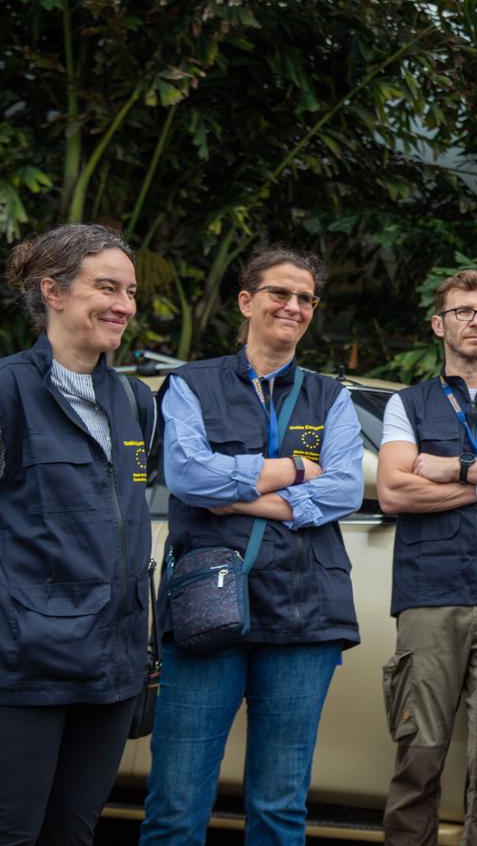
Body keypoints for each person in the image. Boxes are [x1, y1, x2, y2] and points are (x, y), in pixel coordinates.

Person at [139, 247, 363, 845]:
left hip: (305, 613)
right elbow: (188, 477)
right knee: (176, 804)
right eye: (279, 293)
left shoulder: (330, 396)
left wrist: (236, 495)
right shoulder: (190, 385)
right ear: (247, 301)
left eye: (305, 298)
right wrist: (295, 467)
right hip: (204, 611)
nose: (293, 306)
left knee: (280, 807)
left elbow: (344, 488)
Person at [0, 224, 155, 844]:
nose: (124, 305)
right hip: (20, 664)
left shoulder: (134, 402)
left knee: (73, 830)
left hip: (112, 666)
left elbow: (128, 514)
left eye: (131, 291)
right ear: (53, 292)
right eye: (107, 287)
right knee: (3, 831)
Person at [377, 270, 477, 844]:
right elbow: (394, 491)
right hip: (428, 594)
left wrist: (449, 467)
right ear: (439, 324)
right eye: (464, 311)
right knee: (417, 764)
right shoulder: (408, 404)